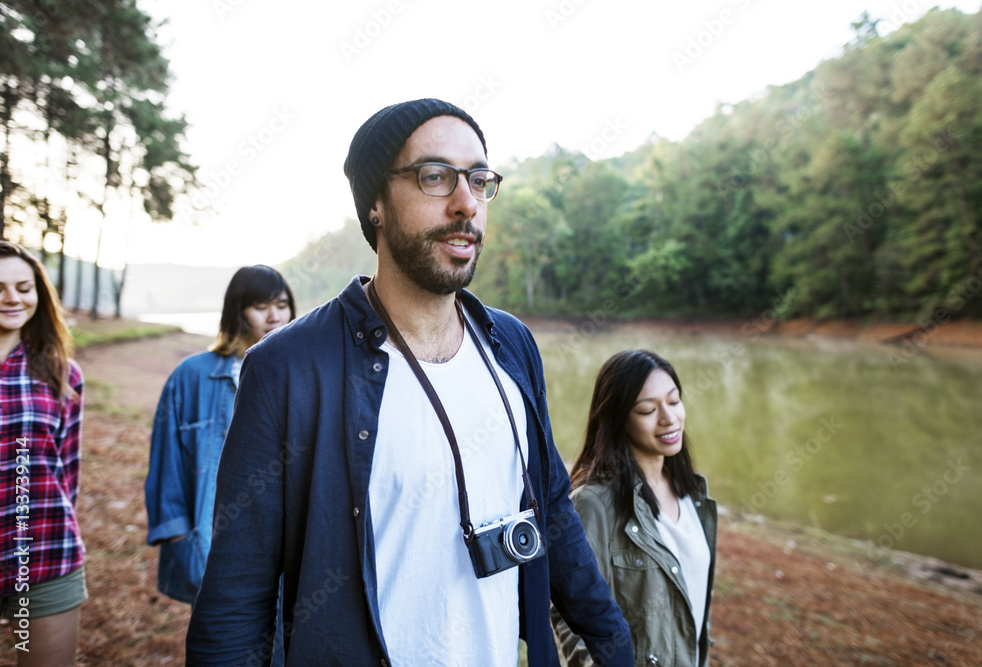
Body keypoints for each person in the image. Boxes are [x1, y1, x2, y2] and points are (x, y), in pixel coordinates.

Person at [186, 98, 634, 666]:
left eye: (478, 179)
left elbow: (550, 505)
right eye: (435, 177)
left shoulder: (512, 344)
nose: (466, 202)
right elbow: (235, 598)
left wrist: (613, 641)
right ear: (375, 203)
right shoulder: (289, 368)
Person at [144, 266, 294, 662]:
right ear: (236, 313)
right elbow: (167, 465)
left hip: (292, 559)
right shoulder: (191, 377)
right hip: (216, 554)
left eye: (282, 305)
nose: (274, 316)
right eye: (261, 306)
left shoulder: (303, 375)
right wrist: (182, 541)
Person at [551, 350, 717, 667]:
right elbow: (571, 612)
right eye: (647, 410)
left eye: (673, 401)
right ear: (618, 419)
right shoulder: (593, 503)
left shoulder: (693, 494)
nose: (669, 418)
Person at [0, 240, 86, 666]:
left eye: (23, 286)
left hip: (46, 553)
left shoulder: (62, 372)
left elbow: (67, 475)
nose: (12, 298)